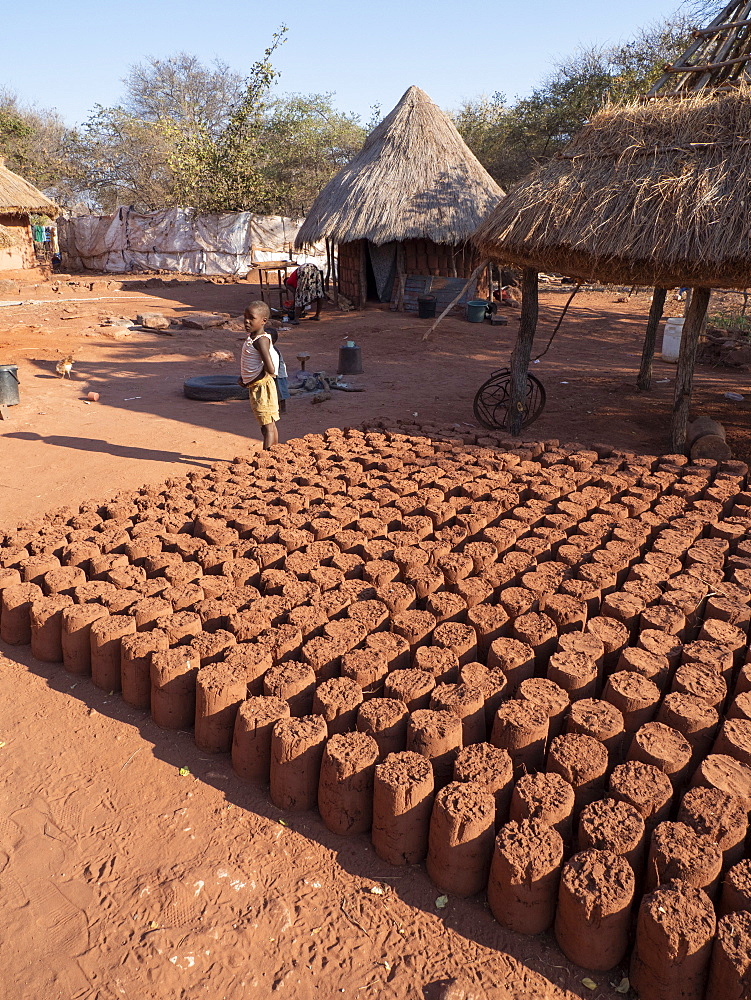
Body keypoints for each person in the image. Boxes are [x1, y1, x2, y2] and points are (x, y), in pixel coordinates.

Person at [239, 301, 280, 449]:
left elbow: (269, 368)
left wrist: (250, 379)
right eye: (245, 317)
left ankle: (267, 459)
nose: (246, 321)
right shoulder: (253, 338)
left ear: (263, 321)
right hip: (256, 385)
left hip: (262, 388)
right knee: (266, 424)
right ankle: (275, 453)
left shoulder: (261, 341)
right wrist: (245, 379)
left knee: (268, 426)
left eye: (251, 318)